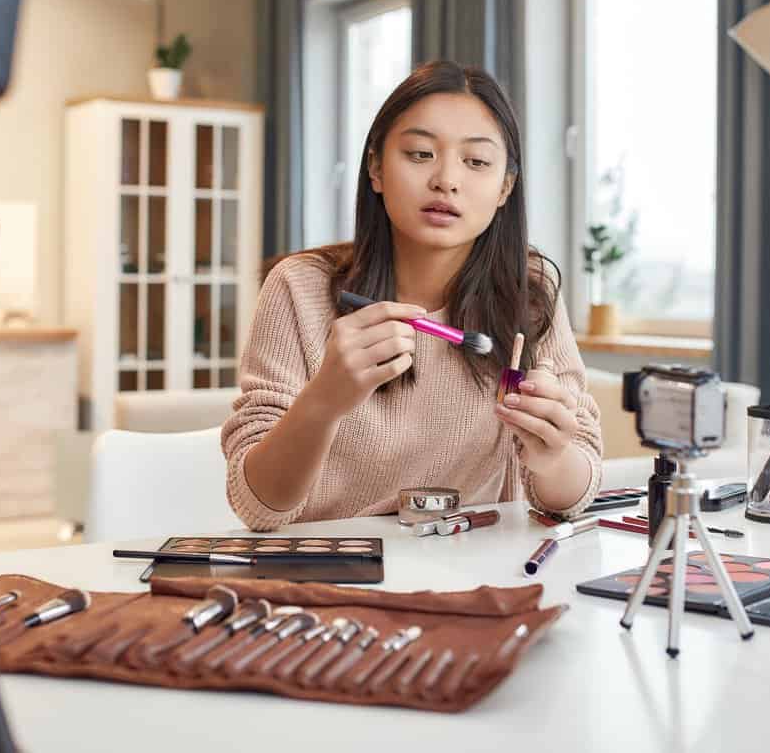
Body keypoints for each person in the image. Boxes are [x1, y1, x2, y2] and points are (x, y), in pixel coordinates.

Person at [221, 60, 603, 531]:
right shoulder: (298, 288)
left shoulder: (530, 293)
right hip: (332, 577)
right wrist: (324, 400)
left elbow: (572, 497)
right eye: (421, 154)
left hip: (472, 577)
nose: (447, 179)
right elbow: (259, 506)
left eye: (477, 162)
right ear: (376, 169)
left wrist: (552, 454)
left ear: (505, 187)